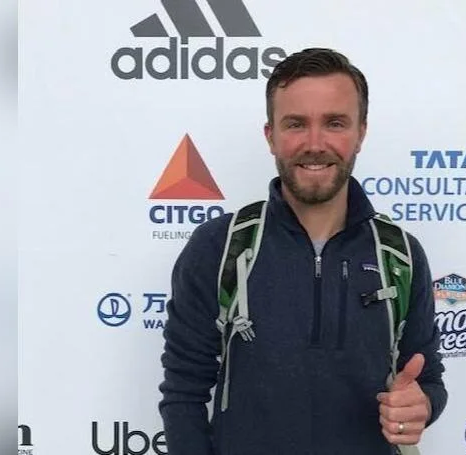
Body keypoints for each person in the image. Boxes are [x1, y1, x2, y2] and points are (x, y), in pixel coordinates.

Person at [158, 48, 448, 455]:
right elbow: (184, 390)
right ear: (270, 135)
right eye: (296, 124)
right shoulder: (219, 246)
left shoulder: (400, 254)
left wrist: (422, 405)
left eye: (335, 123)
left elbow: (427, 379)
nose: (315, 144)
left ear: (361, 133)